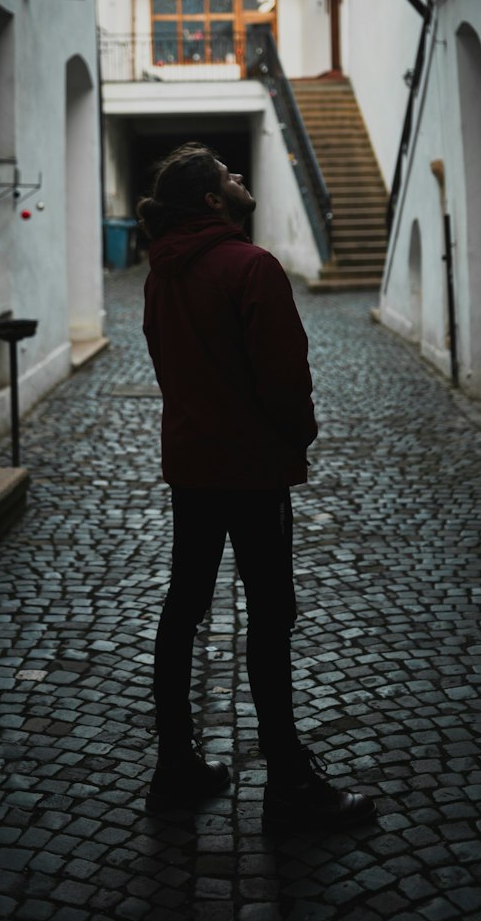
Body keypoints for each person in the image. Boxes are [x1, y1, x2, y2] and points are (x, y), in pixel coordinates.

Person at [136, 141, 376, 829]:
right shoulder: (251, 266)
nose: (240, 178)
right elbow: (283, 376)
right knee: (271, 616)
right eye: (227, 175)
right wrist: (295, 436)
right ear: (214, 201)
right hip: (251, 468)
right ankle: (290, 783)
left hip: (193, 463)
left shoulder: (162, 274)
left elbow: (165, 364)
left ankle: (175, 766)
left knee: (183, 607)